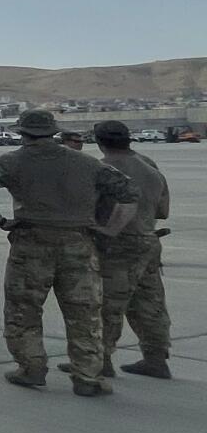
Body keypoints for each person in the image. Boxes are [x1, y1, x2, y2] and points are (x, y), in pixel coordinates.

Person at [0, 109, 137, 395]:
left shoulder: (10, 162)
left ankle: (31, 367)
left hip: (31, 243)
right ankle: (87, 377)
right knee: (84, 313)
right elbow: (129, 193)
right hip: (78, 244)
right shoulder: (86, 163)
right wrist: (110, 230)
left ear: (21, 133)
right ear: (54, 132)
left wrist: (1, 222)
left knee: (23, 310)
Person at [83, 120, 172, 379]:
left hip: (115, 244)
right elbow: (163, 211)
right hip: (149, 240)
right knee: (150, 302)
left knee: (107, 303)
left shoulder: (102, 170)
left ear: (98, 141)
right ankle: (156, 357)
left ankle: (101, 359)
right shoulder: (150, 166)